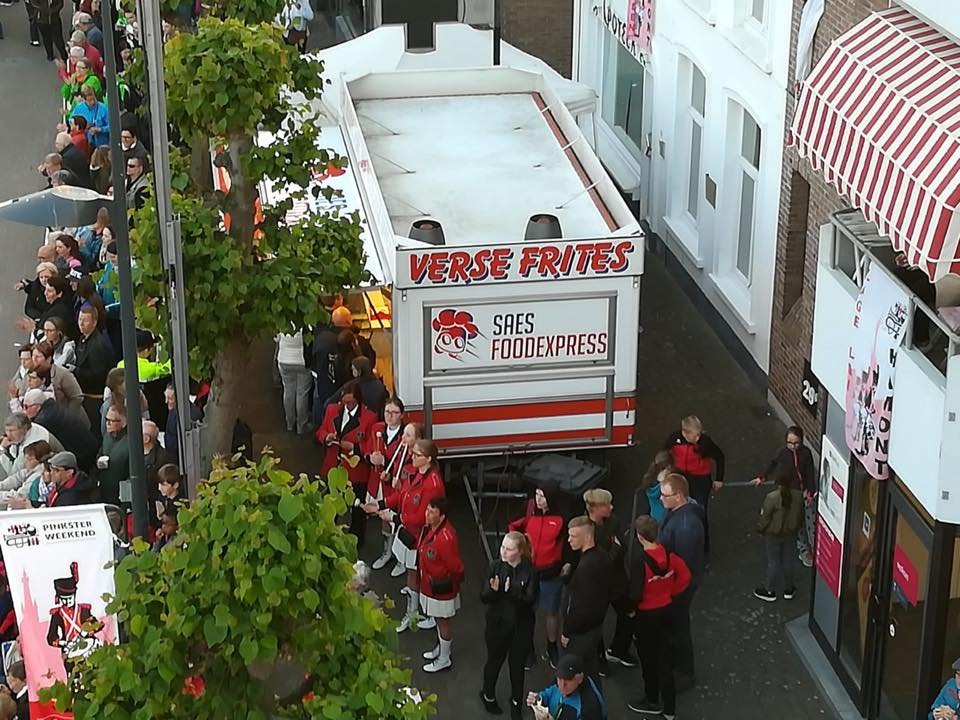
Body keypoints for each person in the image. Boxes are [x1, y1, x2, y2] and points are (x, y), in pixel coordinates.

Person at [624, 516, 690, 719]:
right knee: (665, 658)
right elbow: (685, 576)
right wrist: (671, 592)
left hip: (646, 615)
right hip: (667, 610)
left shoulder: (639, 561)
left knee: (648, 659)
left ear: (639, 536)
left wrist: (630, 610)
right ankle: (669, 709)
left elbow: (635, 593)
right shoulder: (669, 555)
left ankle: (651, 699)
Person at [381, 436, 444, 632]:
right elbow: (404, 495)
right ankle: (415, 611)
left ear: (428, 459)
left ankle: (414, 613)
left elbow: (424, 516)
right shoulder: (418, 473)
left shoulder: (432, 483)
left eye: (416, 455)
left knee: (415, 573)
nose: (411, 457)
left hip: (419, 536)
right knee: (412, 573)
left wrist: (396, 518)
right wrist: (384, 504)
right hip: (411, 531)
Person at [481, 531, 539, 719]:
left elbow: (531, 599)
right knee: (494, 661)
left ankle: (516, 702)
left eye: (509, 549)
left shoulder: (530, 571)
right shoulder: (495, 566)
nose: (503, 552)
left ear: (520, 551)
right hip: (498, 625)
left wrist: (511, 592)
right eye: (503, 547)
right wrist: (495, 591)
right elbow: (484, 597)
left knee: (517, 666)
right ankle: (487, 695)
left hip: (521, 627)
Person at [507, 484, 567, 668]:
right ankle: (528, 648)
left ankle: (551, 647)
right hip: (528, 571)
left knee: (552, 613)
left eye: (543, 496)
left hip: (551, 573)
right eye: (537, 495)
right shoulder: (529, 508)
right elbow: (513, 526)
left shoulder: (562, 516)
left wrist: (566, 564)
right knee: (526, 612)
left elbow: (569, 542)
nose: (539, 500)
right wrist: (517, 550)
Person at [657, 473, 705, 689]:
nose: (661, 499)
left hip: (681, 586)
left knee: (679, 628)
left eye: (664, 495)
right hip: (679, 583)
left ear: (678, 496)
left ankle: (684, 672)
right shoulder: (679, 513)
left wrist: (671, 588)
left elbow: (682, 566)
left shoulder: (686, 526)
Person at [316, 381, 375, 543]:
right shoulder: (332, 410)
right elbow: (321, 430)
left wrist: (354, 448)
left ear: (358, 400)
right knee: (330, 508)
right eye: (344, 401)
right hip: (333, 469)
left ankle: (356, 542)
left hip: (356, 473)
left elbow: (370, 448)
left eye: (350, 402)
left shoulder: (369, 418)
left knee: (357, 512)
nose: (346, 405)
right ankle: (330, 538)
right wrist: (326, 438)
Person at [752, 426, 817, 568]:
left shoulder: (806, 453)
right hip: (790, 491)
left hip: (803, 491)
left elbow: (810, 472)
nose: (793, 446)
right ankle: (804, 549)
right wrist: (763, 477)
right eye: (790, 443)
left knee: (810, 519)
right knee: (797, 521)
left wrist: (811, 490)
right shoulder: (783, 453)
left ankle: (815, 547)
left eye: (796, 443)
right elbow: (773, 464)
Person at [582, 488, 631, 672]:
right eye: (606, 504)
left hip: (616, 580)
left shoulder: (613, 521)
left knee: (628, 613)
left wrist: (616, 550)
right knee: (596, 623)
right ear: (594, 508)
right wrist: (615, 550)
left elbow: (620, 546)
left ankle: (618, 649)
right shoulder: (586, 530)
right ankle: (599, 659)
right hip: (598, 585)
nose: (611, 507)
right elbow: (599, 563)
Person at [663, 415, 724, 555]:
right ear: (684, 433)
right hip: (681, 476)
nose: (698, 438)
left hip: (700, 479)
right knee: (677, 508)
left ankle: (703, 548)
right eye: (694, 435)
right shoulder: (675, 438)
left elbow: (720, 456)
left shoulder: (705, 442)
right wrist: (668, 469)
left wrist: (719, 479)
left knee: (700, 512)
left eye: (699, 434)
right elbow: (664, 452)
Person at [562, 516, 611, 687]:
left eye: (573, 536)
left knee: (569, 674)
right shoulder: (601, 556)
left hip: (581, 632)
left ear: (588, 537)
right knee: (590, 672)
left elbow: (579, 606)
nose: (569, 540)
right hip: (594, 627)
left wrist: (567, 631)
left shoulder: (586, 567)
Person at [417, 495, 464, 673]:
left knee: (443, 622)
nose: (427, 514)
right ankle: (441, 648)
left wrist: (451, 586)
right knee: (438, 620)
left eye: (432, 512)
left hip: (441, 588)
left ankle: (444, 657)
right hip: (431, 585)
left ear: (442, 516)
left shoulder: (445, 538)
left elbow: (456, 567)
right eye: (427, 510)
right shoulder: (432, 529)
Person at [361, 397, 407, 570]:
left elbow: (407, 464)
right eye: (387, 411)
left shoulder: (405, 437)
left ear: (401, 415)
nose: (390, 416)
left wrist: (385, 460)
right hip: (377, 483)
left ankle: (401, 558)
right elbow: (366, 450)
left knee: (399, 520)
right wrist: (370, 458)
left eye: (394, 413)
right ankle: (387, 552)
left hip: (395, 487)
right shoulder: (376, 429)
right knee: (383, 518)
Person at [753, 468, 804, 602]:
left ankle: (769, 590)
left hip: (773, 535)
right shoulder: (798, 496)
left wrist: (760, 529)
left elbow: (765, 518)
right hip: (791, 533)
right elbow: (801, 515)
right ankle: (789, 589)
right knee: (788, 561)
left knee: (773, 562)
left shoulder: (772, 498)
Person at [26, 389, 97, 471]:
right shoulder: (51, 405)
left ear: (37, 407)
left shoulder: (43, 420)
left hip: (82, 454)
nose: (24, 410)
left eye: (26, 406)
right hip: (88, 444)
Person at [526, 654, 607, 720]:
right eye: (560, 678)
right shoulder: (559, 681)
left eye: (568, 680)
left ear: (579, 679)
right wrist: (539, 699)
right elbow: (550, 692)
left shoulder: (589, 708)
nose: (562, 685)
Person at [74, 304, 114, 430]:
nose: (81, 323)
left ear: (94, 322)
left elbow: (98, 375)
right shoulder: (83, 339)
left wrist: (76, 371)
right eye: (80, 319)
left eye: (85, 320)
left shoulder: (97, 346)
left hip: (93, 398)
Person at [31, 341, 86, 425]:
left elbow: (77, 397)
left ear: (49, 359)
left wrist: (67, 417)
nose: (34, 360)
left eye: (38, 357)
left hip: (71, 422)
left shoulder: (63, 374)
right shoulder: (32, 374)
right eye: (33, 356)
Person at [0, 412, 64, 480]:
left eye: (11, 430)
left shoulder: (31, 444)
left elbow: (13, 473)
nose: (8, 434)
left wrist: (2, 449)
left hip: (54, 473)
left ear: (24, 428)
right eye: (6, 430)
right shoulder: (30, 428)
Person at [276, 329, 312, 435]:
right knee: (302, 393)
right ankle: (302, 425)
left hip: (284, 359)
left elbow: (276, 339)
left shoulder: (282, 321)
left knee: (288, 391)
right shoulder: (306, 324)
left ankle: (290, 423)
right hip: (302, 361)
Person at [96, 403, 130, 506]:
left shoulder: (130, 442)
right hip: (105, 489)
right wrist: (98, 461)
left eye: (112, 421)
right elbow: (101, 452)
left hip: (119, 495)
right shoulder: (107, 436)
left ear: (123, 423)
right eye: (106, 420)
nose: (107, 424)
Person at [642, 450, 676, 523]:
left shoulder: (649, 480)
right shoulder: (668, 484)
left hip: (654, 517)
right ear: (669, 466)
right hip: (667, 519)